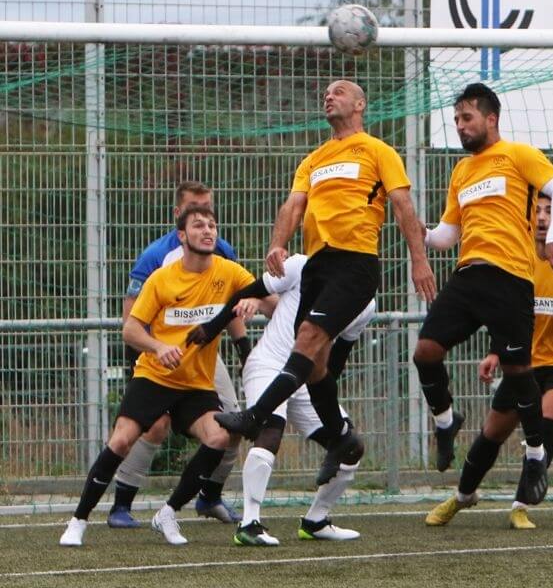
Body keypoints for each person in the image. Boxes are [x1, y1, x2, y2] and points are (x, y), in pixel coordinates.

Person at [211, 80, 435, 487]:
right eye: (326, 93)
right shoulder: (314, 158)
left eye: (340, 91)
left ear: (360, 104)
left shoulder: (378, 151)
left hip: (356, 262)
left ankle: (256, 414)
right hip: (318, 264)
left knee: (309, 336)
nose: (329, 96)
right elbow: (294, 204)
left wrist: (419, 260)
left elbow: (402, 205)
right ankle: (339, 436)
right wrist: (278, 244)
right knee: (314, 363)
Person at [416, 83, 553, 510]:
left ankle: (537, 455)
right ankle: (446, 421)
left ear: (491, 119)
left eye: (467, 118)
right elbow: (448, 236)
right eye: (455, 121)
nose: (460, 127)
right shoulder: (461, 172)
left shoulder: (518, 155)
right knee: (426, 351)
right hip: (469, 275)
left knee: (518, 369)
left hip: (510, 278)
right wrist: (420, 231)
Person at [425, 192, 553, 528]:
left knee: (547, 417)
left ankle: (520, 504)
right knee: (491, 433)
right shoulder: (515, 265)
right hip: (524, 364)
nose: (543, 218)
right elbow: (507, 316)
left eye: (550, 211)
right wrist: (494, 352)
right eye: (537, 211)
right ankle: (462, 496)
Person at [60, 205, 254, 546]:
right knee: (121, 440)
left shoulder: (230, 272)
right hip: (155, 377)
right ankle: (78, 520)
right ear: (182, 236)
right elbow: (131, 329)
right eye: (198, 226)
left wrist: (255, 301)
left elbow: (266, 296)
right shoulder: (162, 278)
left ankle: (168, 513)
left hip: (196, 384)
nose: (208, 230)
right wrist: (158, 346)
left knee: (220, 437)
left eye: (212, 225)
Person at [109, 181, 247, 528]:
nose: (204, 221)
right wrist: (141, 359)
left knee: (233, 424)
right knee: (153, 427)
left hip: (204, 358)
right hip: (161, 355)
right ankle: (121, 505)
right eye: (194, 212)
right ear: (179, 219)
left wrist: (246, 352)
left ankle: (210, 496)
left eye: (209, 212)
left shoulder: (223, 252)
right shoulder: (156, 256)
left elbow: (231, 306)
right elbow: (132, 318)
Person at [231, 254, 373, 546]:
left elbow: (336, 363)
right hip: (270, 365)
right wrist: (213, 330)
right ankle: (249, 523)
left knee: (351, 446)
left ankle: (315, 520)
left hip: (308, 381)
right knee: (271, 430)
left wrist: (326, 401)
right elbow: (252, 291)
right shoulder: (301, 264)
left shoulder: (365, 301)